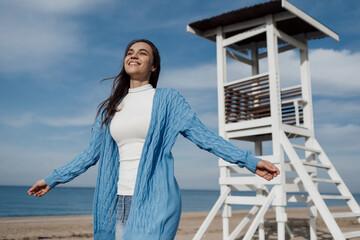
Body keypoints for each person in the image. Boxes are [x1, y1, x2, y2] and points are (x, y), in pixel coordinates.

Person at [28, 39, 280, 240]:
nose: (134, 55)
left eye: (143, 53)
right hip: (115, 201)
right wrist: (52, 179)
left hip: (156, 199)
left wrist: (248, 161)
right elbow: (89, 155)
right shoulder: (111, 108)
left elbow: (204, 137)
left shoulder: (168, 100)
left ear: (154, 66)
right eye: (130, 51)